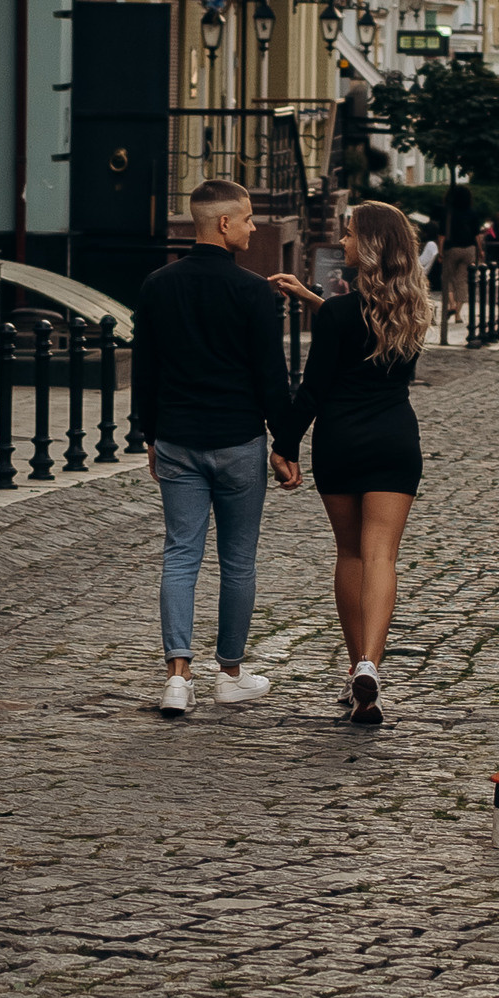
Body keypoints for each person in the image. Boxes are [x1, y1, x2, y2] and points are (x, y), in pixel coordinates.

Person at [129, 178, 306, 718]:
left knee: (180, 555)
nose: (254, 227)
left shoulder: (158, 285)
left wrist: (150, 434)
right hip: (238, 441)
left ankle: (177, 678)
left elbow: (146, 368)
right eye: (249, 219)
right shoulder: (254, 291)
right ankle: (229, 673)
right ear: (224, 223)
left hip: (179, 438)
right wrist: (287, 442)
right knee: (238, 560)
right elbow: (270, 377)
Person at [283, 199, 431, 728]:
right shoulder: (414, 308)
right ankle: (371, 662)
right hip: (395, 439)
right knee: (382, 557)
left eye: (348, 235)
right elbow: (364, 329)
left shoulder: (341, 313)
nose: (342, 242)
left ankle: (354, 671)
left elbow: (314, 388)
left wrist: (284, 444)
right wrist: (315, 301)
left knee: (349, 554)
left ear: (367, 245)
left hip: (340, 441)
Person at [437, 192, 478, 345]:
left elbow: (441, 235)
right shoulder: (472, 213)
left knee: (447, 278)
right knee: (462, 280)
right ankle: (458, 315)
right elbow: (477, 235)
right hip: (468, 249)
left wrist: (441, 252)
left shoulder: (447, 213)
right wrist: (479, 251)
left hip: (451, 249)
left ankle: (452, 305)